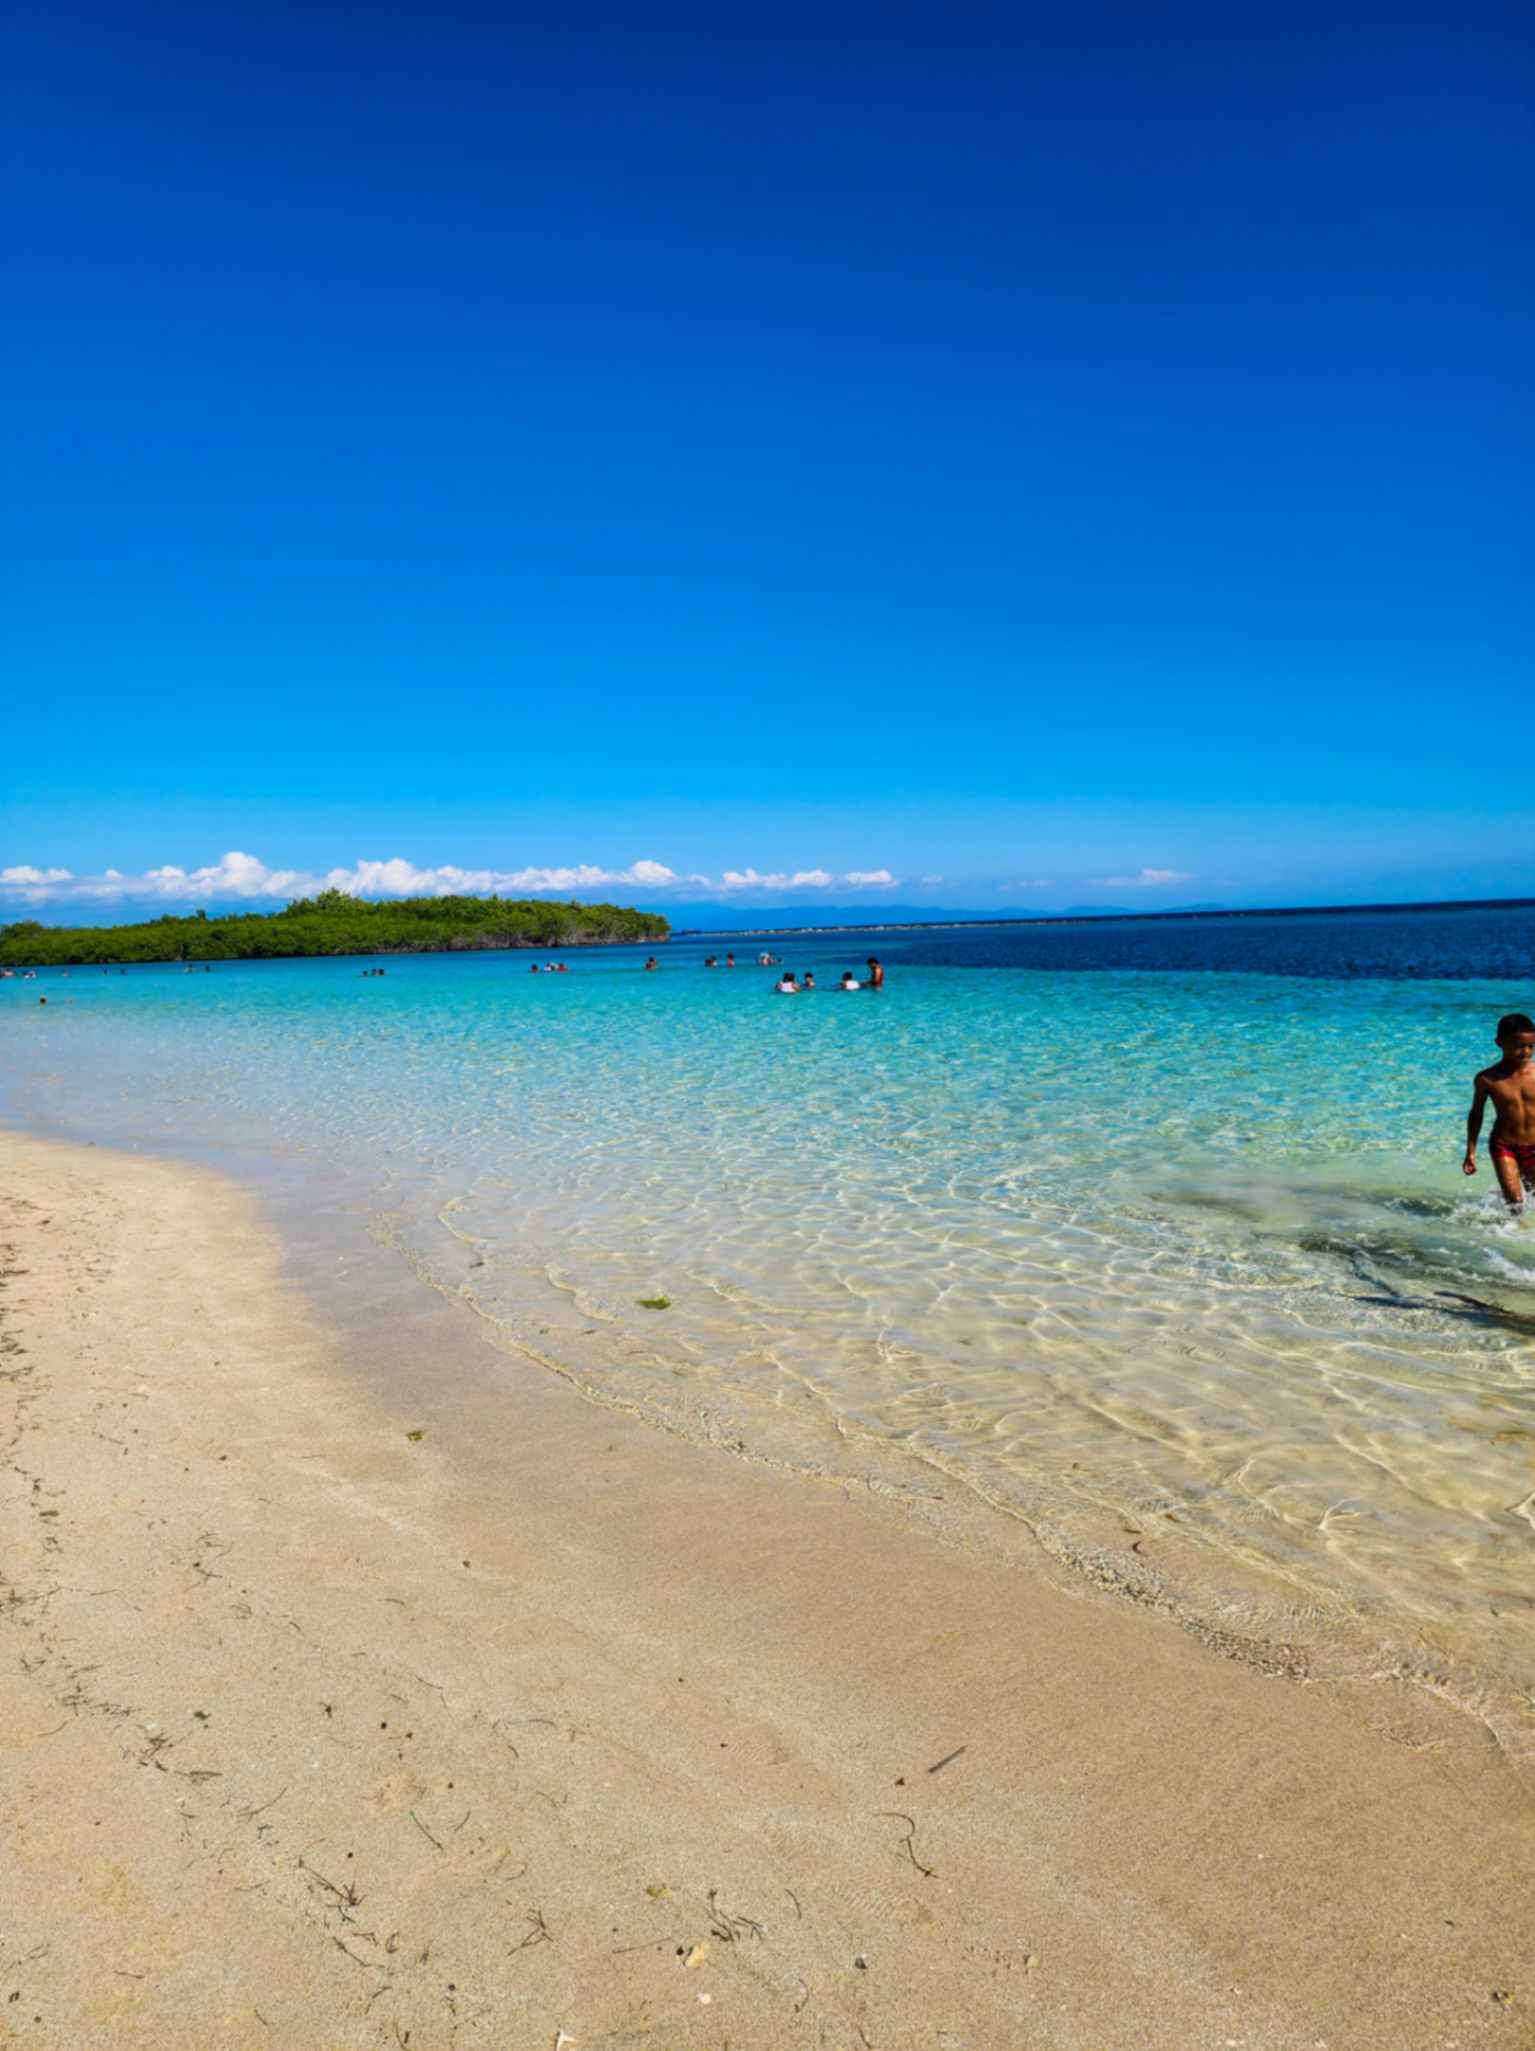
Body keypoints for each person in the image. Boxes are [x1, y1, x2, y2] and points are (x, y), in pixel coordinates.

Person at [1465, 1012, 1535, 1210]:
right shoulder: (1487, 1079)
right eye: (1519, 1046)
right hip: (1504, 1145)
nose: (1526, 1052)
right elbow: (1476, 1114)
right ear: (1500, 1042)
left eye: (1531, 1046)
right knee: (1515, 1204)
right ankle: (1509, 1234)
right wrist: (1471, 1151)